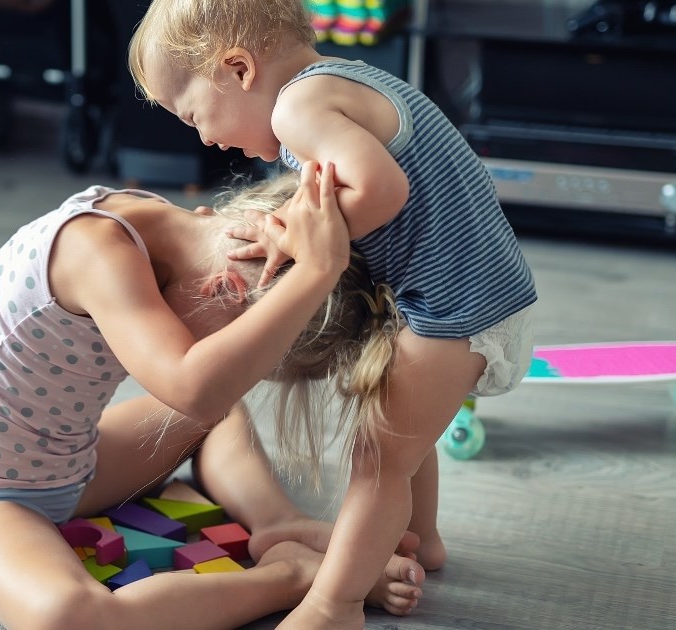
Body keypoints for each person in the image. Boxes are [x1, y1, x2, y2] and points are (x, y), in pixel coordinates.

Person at [128, 1, 539, 627]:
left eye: (194, 116)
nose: (205, 139)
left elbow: (382, 189)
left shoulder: (298, 109)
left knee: (377, 462)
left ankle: (333, 604)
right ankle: (419, 539)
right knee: (403, 433)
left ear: (237, 68)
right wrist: (292, 225)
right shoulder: (340, 80)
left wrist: (298, 241)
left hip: (456, 305)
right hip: (472, 292)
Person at [0, 165, 427, 630]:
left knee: (220, 414)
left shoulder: (173, 226)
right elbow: (199, 391)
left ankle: (278, 524)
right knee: (69, 619)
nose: (241, 374)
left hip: (73, 465)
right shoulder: (96, 250)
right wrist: (317, 269)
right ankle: (292, 574)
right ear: (222, 290)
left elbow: (211, 401)